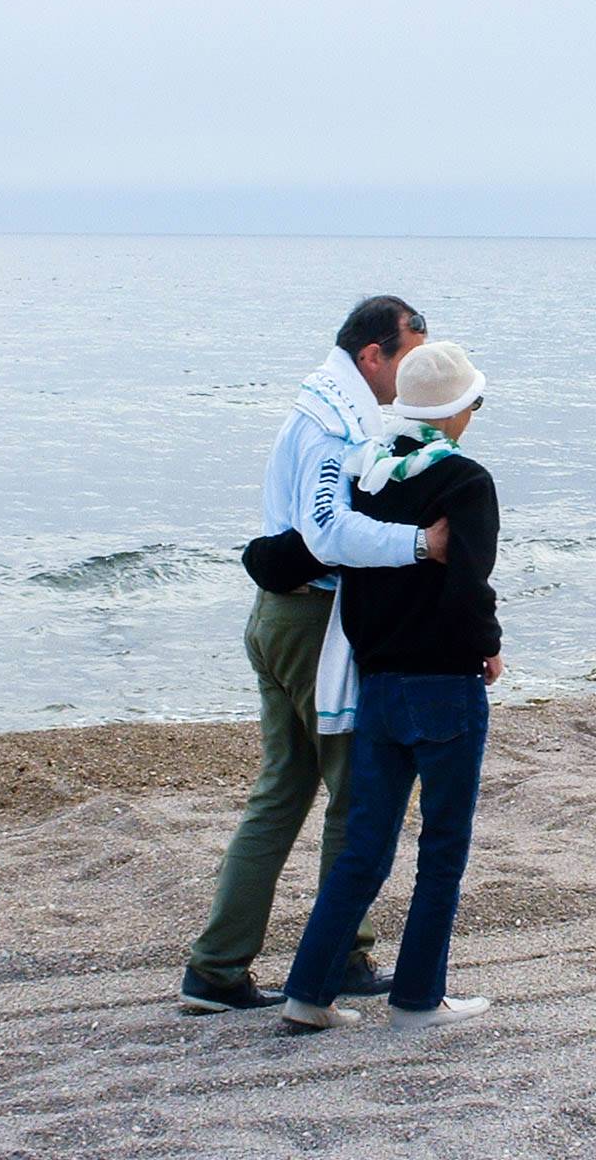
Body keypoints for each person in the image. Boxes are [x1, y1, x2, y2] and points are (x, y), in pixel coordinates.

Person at [179, 296, 449, 1013]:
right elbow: (327, 533)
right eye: (410, 356)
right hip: (312, 624)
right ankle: (341, 956)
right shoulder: (335, 427)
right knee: (355, 791)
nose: (415, 372)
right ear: (373, 356)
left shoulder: (316, 408)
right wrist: (420, 545)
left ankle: (216, 968)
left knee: (281, 793)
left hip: (278, 616)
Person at [278, 341, 502, 1031]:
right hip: (443, 683)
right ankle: (416, 1001)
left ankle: (309, 992)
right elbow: (468, 583)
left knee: (364, 848)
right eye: (475, 402)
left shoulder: (363, 472)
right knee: (442, 847)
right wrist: (489, 648)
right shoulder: (465, 482)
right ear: (459, 410)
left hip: (376, 681)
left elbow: (337, 553)